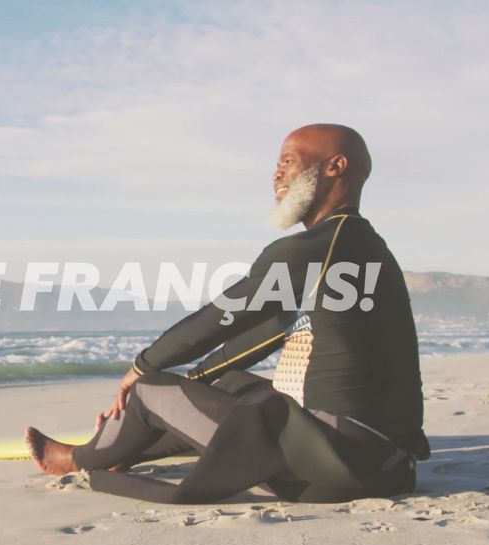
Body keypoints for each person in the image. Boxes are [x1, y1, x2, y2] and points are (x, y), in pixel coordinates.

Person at [25, 124, 430, 504]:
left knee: (151, 389)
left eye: (288, 160)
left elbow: (223, 316)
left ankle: (77, 459)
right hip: (386, 465)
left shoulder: (317, 247)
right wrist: (166, 400)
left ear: (335, 166)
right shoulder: (362, 247)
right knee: (232, 384)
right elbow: (271, 331)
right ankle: (128, 441)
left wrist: (140, 370)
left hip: (330, 467)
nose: (276, 174)